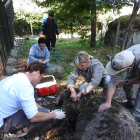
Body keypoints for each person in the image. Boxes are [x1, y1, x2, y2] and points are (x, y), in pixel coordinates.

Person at [0, 62, 65, 138]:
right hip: (3, 123)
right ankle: (11, 134)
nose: (39, 82)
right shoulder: (26, 86)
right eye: (40, 78)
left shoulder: (19, 77)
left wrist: (48, 111)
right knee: (41, 120)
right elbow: (33, 117)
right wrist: (54, 115)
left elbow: (31, 103)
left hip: (4, 115)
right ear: (37, 73)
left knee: (43, 112)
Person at [98, 44, 140, 120]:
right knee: (126, 80)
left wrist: (125, 82)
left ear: (128, 68)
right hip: (133, 63)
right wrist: (108, 102)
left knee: (126, 81)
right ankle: (131, 103)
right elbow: (113, 81)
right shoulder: (121, 58)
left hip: (137, 63)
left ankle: (137, 113)